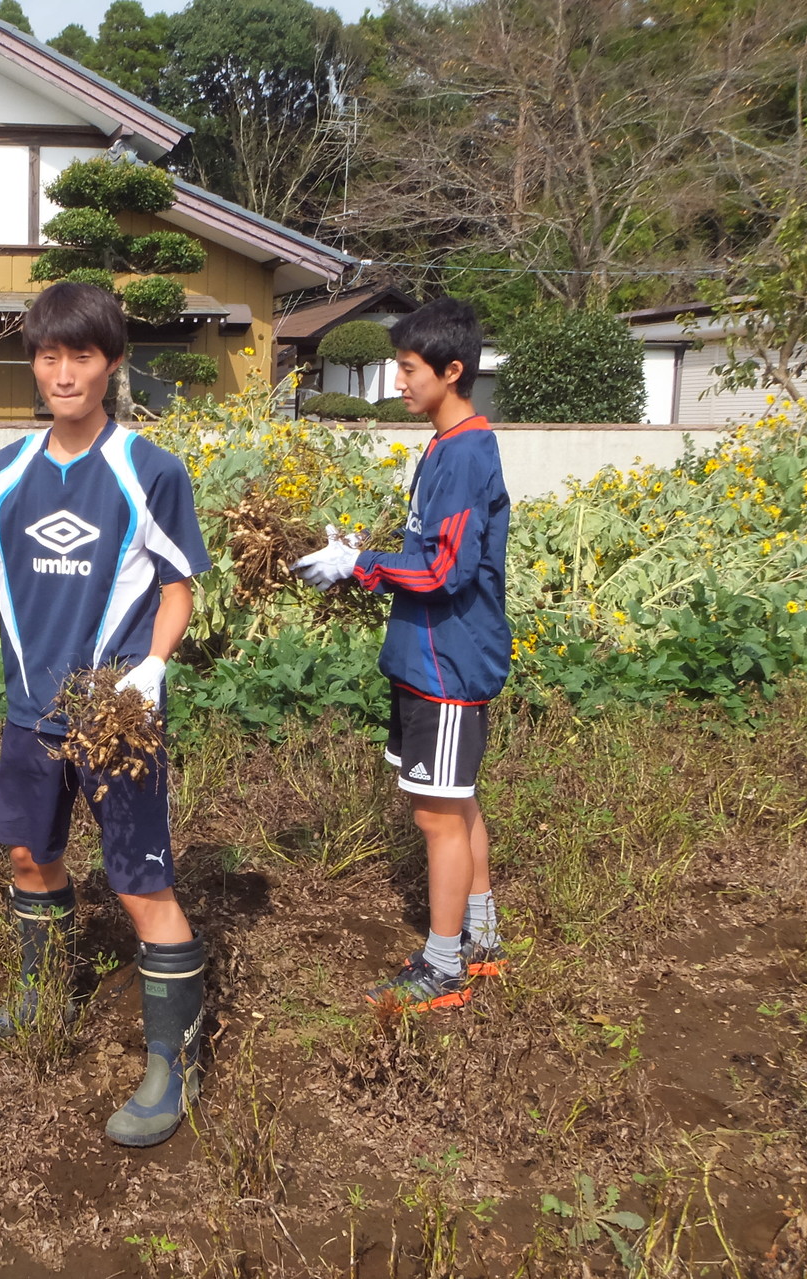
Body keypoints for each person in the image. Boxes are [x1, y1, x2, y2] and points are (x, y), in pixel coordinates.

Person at [0, 281, 212, 1147]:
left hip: (114, 712)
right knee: (26, 851)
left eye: (80, 354)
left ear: (111, 363)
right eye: (48, 355)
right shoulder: (6, 472)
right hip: (29, 708)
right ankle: (44, 992)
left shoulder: (146, 467)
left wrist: (152, 668)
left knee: (140, 881)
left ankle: (174, 1062)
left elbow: (177, 585)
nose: (62, 370)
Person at [293, 297, 510, 1012]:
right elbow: (428, 550)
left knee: (437, 815)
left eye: (410, 369)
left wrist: (362, 565)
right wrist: (366, 552)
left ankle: (444, 966)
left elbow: (446, 569)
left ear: (453, 371)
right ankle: (481, 939)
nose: (399, 379)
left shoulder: (467, 453)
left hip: (449, 664)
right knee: (449, 797)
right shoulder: (447, 446)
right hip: (428, 657)